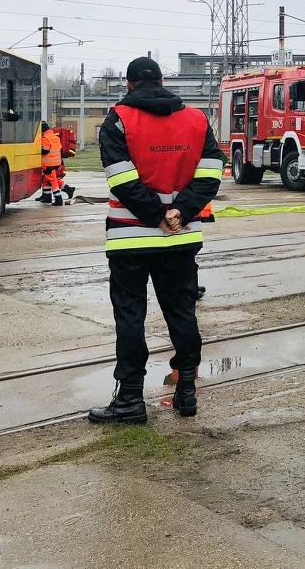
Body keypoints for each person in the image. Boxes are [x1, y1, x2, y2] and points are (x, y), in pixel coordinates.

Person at [88, 57, 224, 425]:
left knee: (130, 318)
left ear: (129, 84)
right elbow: (212, 171)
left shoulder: (118, 119)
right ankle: (186, 392)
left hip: (130, 239)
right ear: (163, 81)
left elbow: (120, 179)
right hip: (182, 238)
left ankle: (130, 400)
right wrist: (180, 211)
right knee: (183, 313)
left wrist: (155, 214)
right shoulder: (196, 120)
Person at [39, 122, 64, 206]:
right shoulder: (55, 137)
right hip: (56, 163)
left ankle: (58, 199)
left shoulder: (45, 138)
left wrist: (37, 149)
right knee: (46, 180)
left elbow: (45, 150)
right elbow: (60, 149)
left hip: (48, 164)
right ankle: (47, 197)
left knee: (53, 181)